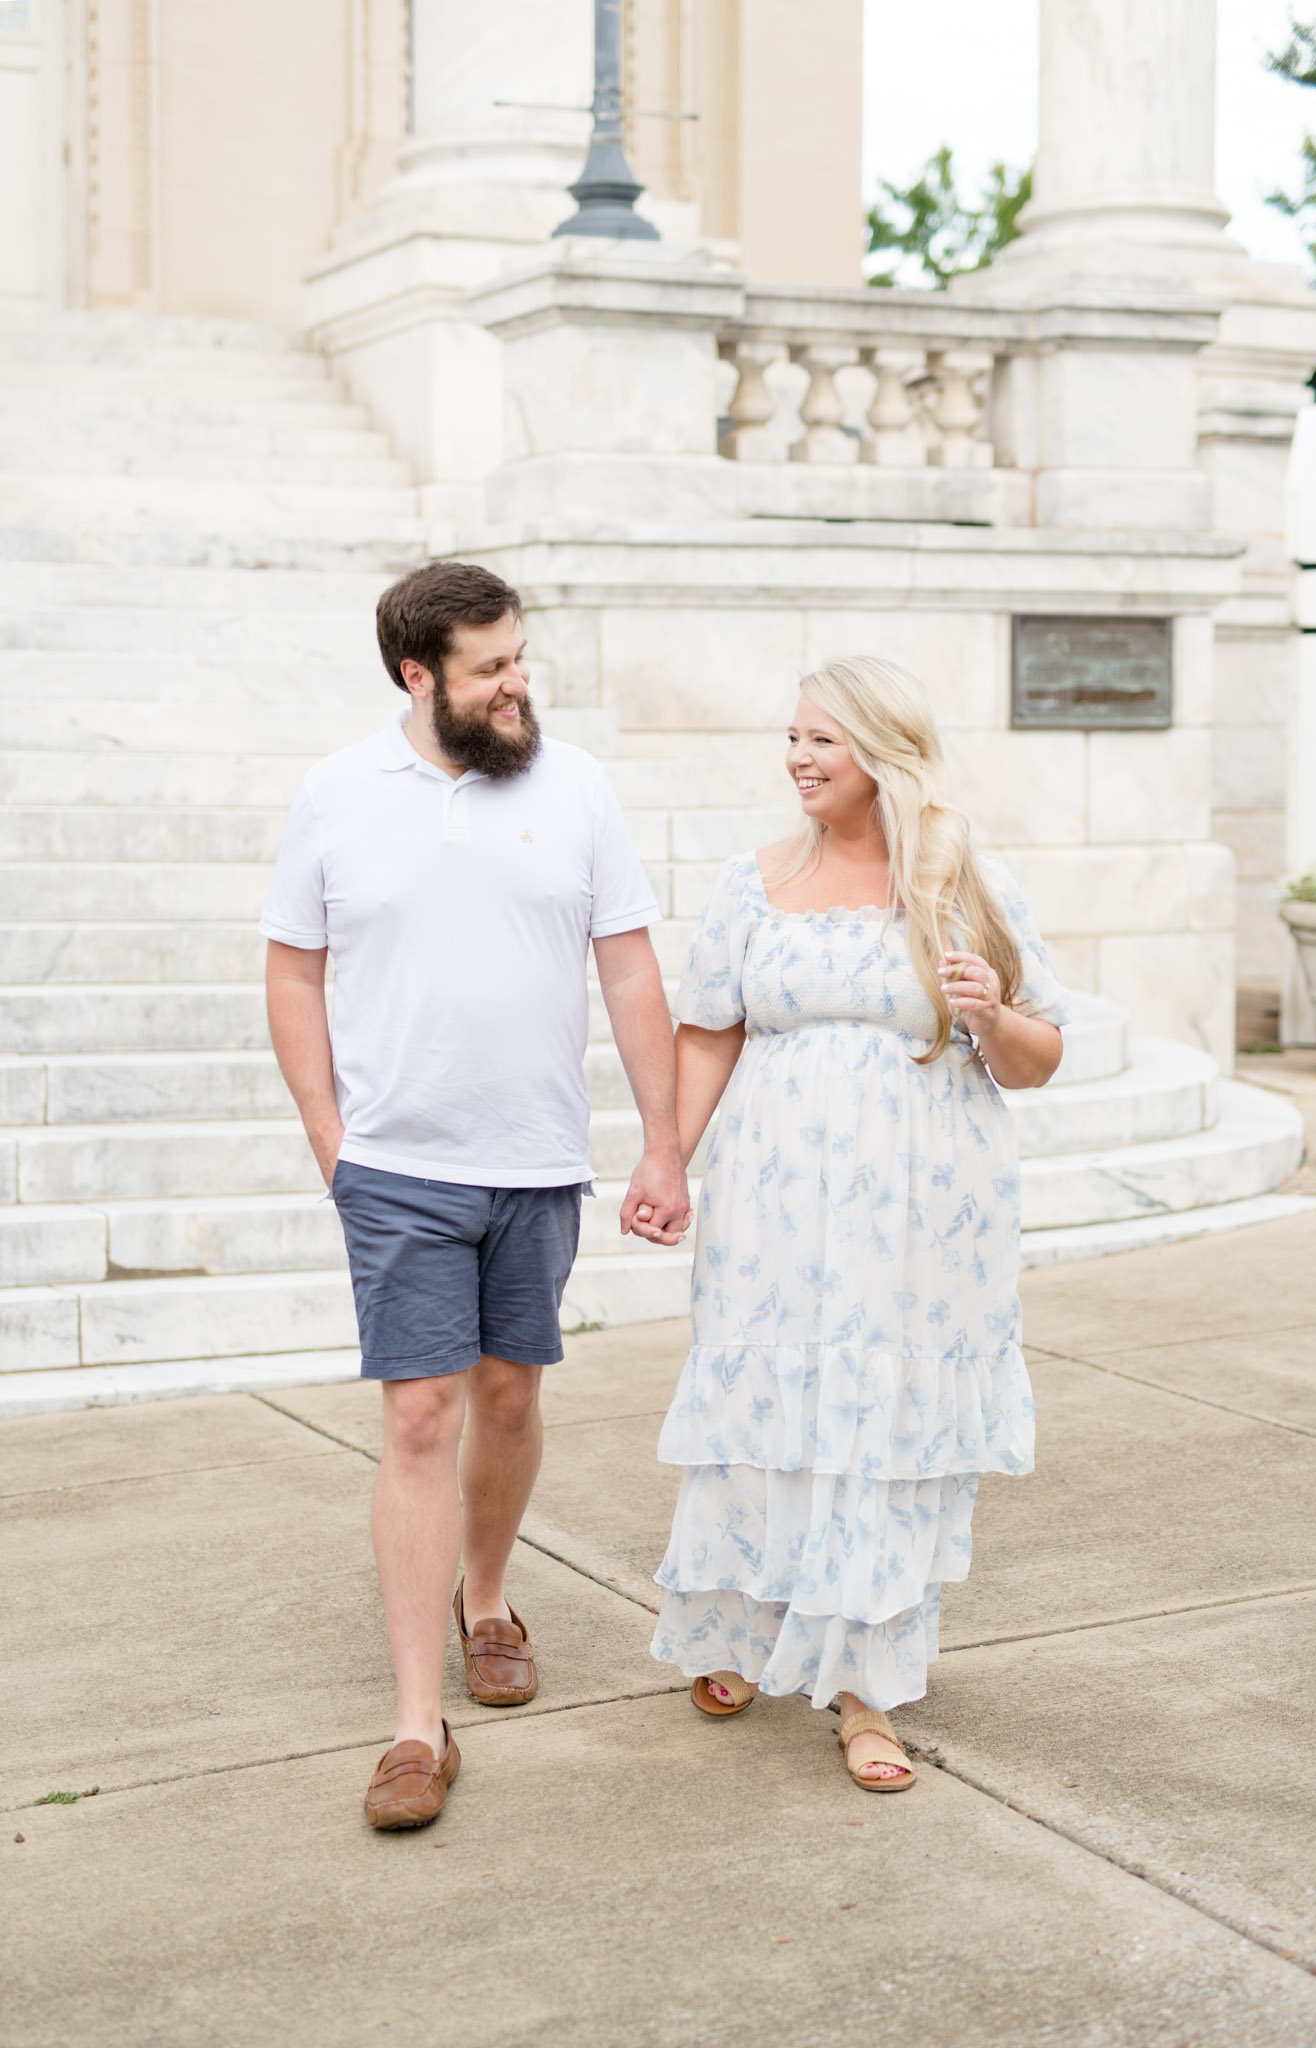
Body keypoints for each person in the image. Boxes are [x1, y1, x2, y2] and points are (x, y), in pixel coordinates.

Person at [260, 561, 691, 1830]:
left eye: (520, 658)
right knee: (416, 1419)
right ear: (417, 675)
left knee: (509, 1392)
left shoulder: (576, 787)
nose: (517, 685)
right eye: (489, 668)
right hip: (397, 1167)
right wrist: (329, 1133)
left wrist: (662, 1145)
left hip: (538, 1157)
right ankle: (411, 1724)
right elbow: (293, 973)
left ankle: (485, 1596)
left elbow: (627, 973)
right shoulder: (336, 794)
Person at [650, 656, 1067, 1790]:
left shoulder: (959, 884)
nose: (796, 757)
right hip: (774, 1206)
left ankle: (863, 1693)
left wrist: (989, 1013)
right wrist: (663, 1160)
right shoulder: (751, 881)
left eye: (821, 739)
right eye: (791, 736)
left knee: (874, 1427)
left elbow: (1038, 1056)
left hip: (919, 1218)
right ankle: (746, 1625)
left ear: (882, 752)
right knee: (771, 1405)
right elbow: (708, 1031)